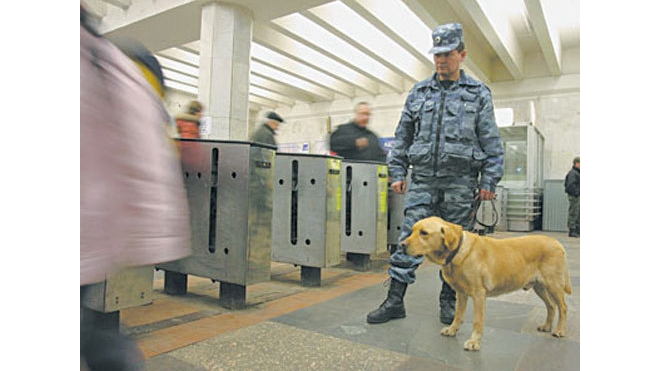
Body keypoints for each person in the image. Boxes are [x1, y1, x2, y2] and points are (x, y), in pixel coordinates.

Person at [366, 23, 504, 326]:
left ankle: (448, 301)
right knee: (408, 239)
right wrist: (398, 171)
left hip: (461, 182)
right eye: (437, 54)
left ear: (462, 54)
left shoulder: (478, 93)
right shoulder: (419, 92)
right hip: (424, 179)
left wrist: (490, 179)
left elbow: (491, 139)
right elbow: (402, 137)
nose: (441, 60)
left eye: (448, 53)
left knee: (454, 246)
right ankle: (394, 301)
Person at [81, 6, 191, 370]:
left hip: (86, 228)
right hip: (92, 231)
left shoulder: (98, 54)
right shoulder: (102, 52)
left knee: (92, 335)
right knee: (93, 334)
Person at [564, 156, 580, 237]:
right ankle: (572, 230)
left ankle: (576, 230)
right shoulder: (573, 173)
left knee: (577, 213)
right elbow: (570, 186)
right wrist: (577, 193)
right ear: (576, 163)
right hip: (575, 196)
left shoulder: (576, 173)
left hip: (576, 195)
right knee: (574, 212)